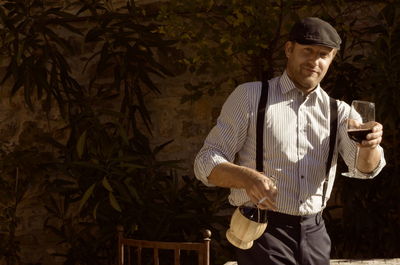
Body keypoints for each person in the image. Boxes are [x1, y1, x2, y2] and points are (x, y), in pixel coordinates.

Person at [193, 17, 386, 265]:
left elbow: (365, 169)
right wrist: (247, 177)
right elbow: (205, 161)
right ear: (289, 49)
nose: (314, 61)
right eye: (307, 51)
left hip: (315, 232)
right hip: (262, 228)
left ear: (332, 59)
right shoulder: (250, 97)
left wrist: (368, 147)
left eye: (323, 55)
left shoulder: (342, 113)